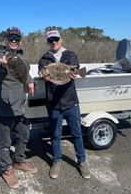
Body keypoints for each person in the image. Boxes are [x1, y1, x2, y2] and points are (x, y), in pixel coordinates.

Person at [38, 30, 91, 180]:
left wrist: (75, 72)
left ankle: (82, 162)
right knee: (55, 134)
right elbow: (42, 72)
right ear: (47, 43)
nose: (54, 42)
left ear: (61, 39)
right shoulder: (44, 58)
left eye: (56, 39)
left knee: (76, 133)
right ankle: (56, 161)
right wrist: (44, 76)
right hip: (54, 103)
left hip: (71, 102)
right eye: (51, 40)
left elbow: (74, 67)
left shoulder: (70, 54)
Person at [0, 27, 37, 189]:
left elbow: (26, 73)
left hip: (19, 106)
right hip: (3, 107)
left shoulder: (21, 56)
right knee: (4, 141)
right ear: (5, 40)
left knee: (24, 134)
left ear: (20, 41)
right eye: (11, 38)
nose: (14, 41)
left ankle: (19, 161)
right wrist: (3, 67)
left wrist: (31, 82)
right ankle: (6, 169)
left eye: (17, 38)